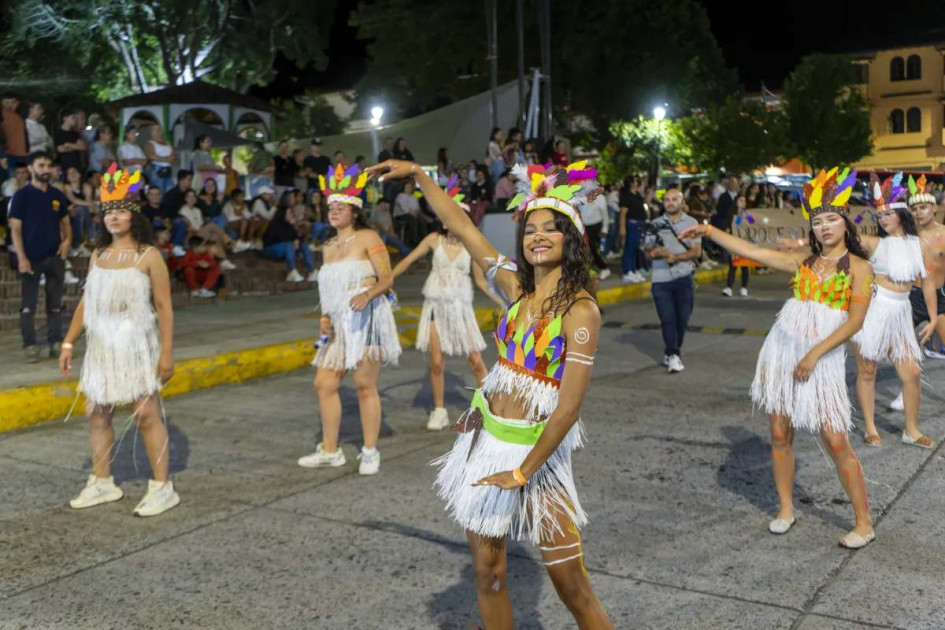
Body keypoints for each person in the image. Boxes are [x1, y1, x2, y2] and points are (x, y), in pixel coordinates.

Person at [369, 157, 613, 627]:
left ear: (571, 237)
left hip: (538, 457)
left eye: (551, 228)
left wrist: (522, 473)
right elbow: (460, 223)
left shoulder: (582, 311)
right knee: (489, 572)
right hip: (486, 447)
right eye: (529, 229)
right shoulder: (514, 287)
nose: (537, 236)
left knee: (569, 582)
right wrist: (421, 176)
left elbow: (567, 410)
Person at [678, 166, 876, 549]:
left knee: (835, 440)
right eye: (818, 221)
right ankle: (786, 509)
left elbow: (855, 321)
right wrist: (708, 231)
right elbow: (753, 251)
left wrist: (815, 354)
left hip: (822, 359)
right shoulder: (803, 262)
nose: (824, 227)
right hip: (782, 350)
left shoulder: (861, 268)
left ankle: (864, 522)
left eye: (831, 219)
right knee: (779, 433)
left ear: (844, 222)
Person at [59, 163, 179, 517]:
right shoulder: (99, 255)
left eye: (121, 210)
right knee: (96, 412)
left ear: (134, 214)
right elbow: (87, 302)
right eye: (108, 210)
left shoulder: (149, 256)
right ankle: (102, 482)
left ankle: (162, 487)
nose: (114, 217)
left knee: (145, 412)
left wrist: (167, 354)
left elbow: (165, 307)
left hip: (136, 343)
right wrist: (68, 342)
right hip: (101, 346)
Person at [297, 164, 401, 476]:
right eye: (331, 207)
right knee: (324, 383)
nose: (335, 211)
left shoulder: (368, 237)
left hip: (368, 318)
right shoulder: (328, 247)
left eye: (340, 207)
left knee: (363, 384)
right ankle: (331, 451)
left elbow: (387, 278)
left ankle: (370, 451)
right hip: (339, 324)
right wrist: (325, 320)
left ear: (354, 210)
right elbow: (328, 290)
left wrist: (367, 295)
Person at [391, 177, 490, 430]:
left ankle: (491, 408)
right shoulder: (434, 239)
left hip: (461, 309)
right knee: (436, 362)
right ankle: (439, 410)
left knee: (475, 361)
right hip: (436, 307)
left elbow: (481, 281)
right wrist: (386, 280)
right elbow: (408, 260)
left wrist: (503, 300)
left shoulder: (472, 243)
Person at [851, 173, 937, 449]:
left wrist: (934, 318)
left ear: (901, 214)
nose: (882, 219)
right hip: (874, 311)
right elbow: (843, 240)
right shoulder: (874, 243)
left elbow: (928, 284)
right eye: (879, 215)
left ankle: (910, 430)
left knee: (911, 373)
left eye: (888, 213)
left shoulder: (919, 245)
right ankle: (870, 427)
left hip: (901, 312)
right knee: (867, 372)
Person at [8, 151, 71, 362]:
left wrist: (67, 242)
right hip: (31, 258)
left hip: (54, 257)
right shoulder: (21, 196)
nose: (45, 169)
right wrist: (22, 257)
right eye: (41, 165)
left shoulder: (57, 195)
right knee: (29, 306)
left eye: (48, 165)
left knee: (55, 304)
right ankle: (30, 345)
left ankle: (55, 342)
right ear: (30, 169)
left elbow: (66, 223)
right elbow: (15, 229)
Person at [644, 188, 702, 374]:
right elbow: (648, 251)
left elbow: (696, 251)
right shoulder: (655, 224)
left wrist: (676, 258)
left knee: (682, 319)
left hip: (684, 277)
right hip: (661, 280)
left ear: (682, 202)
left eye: (674, 199)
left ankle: (672, 351)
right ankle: (673, 354)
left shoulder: (692, 223)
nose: (670, 202)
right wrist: (655, 253)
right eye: (667, 200)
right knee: (668, 319)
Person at [262, 193, 317, 282]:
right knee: (288, 245)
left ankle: (312, 271)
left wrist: (297, 239)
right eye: (289, 213)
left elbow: (297, 237)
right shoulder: (275, 224)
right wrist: (293, 241)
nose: (291, 215)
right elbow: (279, 237)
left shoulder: (289, 225)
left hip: (287, 248)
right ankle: (291, 272)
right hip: (271, 248)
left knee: (303, 245)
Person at [579, 179, 610, 280]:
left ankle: (604, 268)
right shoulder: (580, 197)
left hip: (596, 227)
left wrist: (605, 229)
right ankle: (589, 270)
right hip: (583, 227)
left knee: (592, 249)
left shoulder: (600, 198)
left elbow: (605, 216)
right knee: (584, 250)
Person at [618, 176, 648, 283]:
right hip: (632, 225)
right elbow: (623, 213)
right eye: (635, 180)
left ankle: (633, 270)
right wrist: (622, 228)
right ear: (631, 183)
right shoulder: (626, 196)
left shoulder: (637, 194)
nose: (637, 181)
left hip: (641, 224)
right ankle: (627, 272)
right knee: (629, 249)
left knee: (636, 249)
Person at [722, 194, 751, 297]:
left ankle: (744, 287)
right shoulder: (731, 215)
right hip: (734, 243)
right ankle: (729, 287)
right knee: (733, 266)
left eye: (744, 201)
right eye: (741, 200)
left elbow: (752, 224)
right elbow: (728, 228)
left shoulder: (748, 215)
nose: (743, 202)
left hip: (744, 243)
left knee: (744, 266)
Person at [64, 166, 95, 255]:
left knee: (85, 210)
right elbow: (73, 200)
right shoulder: (67, 186)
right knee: (81, 209)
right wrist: (92, 204)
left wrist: (93, 211)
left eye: (74, 172)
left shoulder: (86, 186)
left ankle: (91, 240)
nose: (72, 175)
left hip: (83, 213)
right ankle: (78, 243)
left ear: (79, 174)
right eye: (69, 173)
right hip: (69, 213)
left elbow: (88, 203)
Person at [394, 179, 428, 246]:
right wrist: (411, 212)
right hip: (402, 215)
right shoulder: (400, 196)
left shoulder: (413, 197)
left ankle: (424, 240)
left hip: (414, 213)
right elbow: (403, 208)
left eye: (410, 187)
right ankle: (413, 241)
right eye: (407, 187)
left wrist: (415, 211)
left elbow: (417, 206)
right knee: (413, 220)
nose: (409, 189)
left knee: (422, 221)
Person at [54, 109, 87, 175]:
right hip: (64, 166)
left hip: (76, 165)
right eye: (73, 117)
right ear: (65, 118)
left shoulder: (75, 133)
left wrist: (68, 144)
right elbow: (60, 149)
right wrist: (75, 146)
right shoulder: (58, 133)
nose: (75, 120)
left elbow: (83, 147)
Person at [144, 125, 175, 193]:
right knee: (158, 190)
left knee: (169, 190)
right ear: (151, 132)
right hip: (157, 169)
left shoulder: (167, 142)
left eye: (159, 129)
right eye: (155, 130)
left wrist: (171, 158)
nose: (158, 132)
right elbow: (151, 156)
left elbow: (173, 154)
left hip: (168, 169)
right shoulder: (151, 143)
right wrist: (165, 159)